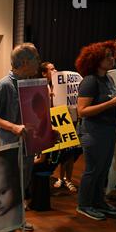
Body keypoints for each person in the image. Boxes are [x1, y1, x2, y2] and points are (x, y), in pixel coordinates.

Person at [0, 43, 41, 232]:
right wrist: (14, 127)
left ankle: (17, 221)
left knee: (21, 189)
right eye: (36, 59)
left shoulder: (30, 84)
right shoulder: (4, 86)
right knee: (11, 193)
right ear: (25, 62)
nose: (39, 62)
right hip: (11, 150)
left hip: (27, 148)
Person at [76, 41, 116, 220]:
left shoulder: (107, 78)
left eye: (112, 55)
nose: (112, 58)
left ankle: (98, 201)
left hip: (108, 131)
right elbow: (82, 111)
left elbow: (113, 99)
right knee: (93, 170)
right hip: (94, 132)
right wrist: (111, 104)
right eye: (108, 57)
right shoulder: (90, 81)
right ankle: (84, 204)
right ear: (97, 60)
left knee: (102, 170)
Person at [40, 61, 79, 193]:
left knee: (69, 151)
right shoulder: (42, 87)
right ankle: (57, 177)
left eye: (55, 68)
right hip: (49, 124)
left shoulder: (62, 85)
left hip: (65, 120)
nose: (55, 71)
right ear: (44, 73)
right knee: (52, 154)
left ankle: (67, 179)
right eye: (51, 69)